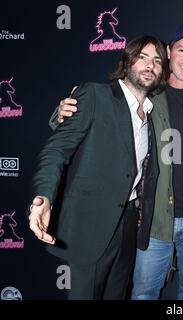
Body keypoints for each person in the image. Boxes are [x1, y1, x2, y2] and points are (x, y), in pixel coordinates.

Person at [51, 23, 183, 300]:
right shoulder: (148, 89)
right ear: (168, 52)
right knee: (142, 293)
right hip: (154, 219)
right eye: (181, 50)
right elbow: (102, 107)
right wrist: (61, 112)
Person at [28, 36, 169, 299]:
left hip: (128, 225)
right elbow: (56, 150)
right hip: (90, 226)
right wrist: (44, 196)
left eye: (157, 60)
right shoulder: (95, 95)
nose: (150, 65)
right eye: (143, 57)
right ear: (127, 61)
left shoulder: (151, 114)